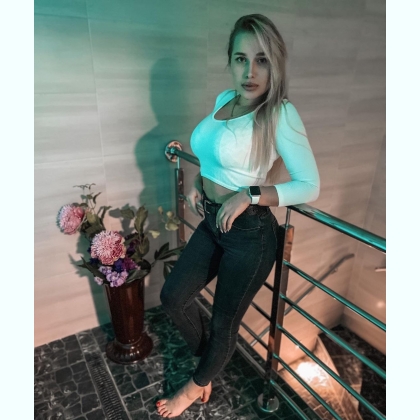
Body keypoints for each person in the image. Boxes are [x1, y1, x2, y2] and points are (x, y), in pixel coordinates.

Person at [156, 14, 320, 418]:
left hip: (251, 235)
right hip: (213, 220)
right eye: (241, 59)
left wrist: (251, 195)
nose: (250, 72)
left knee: (224, 322)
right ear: (229, 61)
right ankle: (207, 369)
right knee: (173, 297)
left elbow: (309, 185)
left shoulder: (280, 113)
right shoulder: (223, 100)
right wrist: (198, 181)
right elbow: (215, 156)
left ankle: (194, 386)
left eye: (261, 60)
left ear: (274, 64)